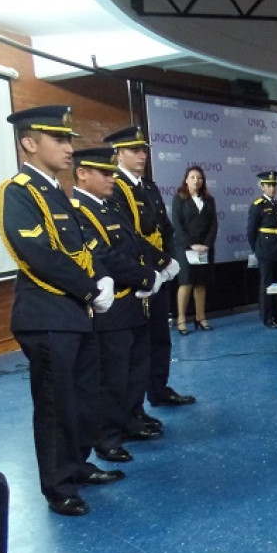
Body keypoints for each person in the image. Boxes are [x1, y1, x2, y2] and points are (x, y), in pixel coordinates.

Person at [0, 105, 121, 516]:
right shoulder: (16, 193)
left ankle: (78, 464)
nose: (69, 147)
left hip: (72, 314)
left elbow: (80, 247)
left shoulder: (53, 192)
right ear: (30, 143)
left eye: (68, 139)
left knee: (83, 399)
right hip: (46, 316)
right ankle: (58, 485)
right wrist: (88, 288)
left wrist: (102, 279)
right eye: (59, 139)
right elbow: (37, 254)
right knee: (54, 404)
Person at [69, 147, 165, 464]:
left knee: (135, 369)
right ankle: (107, 437)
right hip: (113, 306)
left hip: (134, 303)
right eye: (104, 173)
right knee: (112, 377)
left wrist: (159, 266)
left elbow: (135, 243)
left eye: (111, 172)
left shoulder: (108, 206)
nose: (112, 178)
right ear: (82, 174)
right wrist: (145, 277)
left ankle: (131, 419)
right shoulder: (78, 210)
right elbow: (105, 257)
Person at [105, 126, 194, 411]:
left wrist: (171, 260)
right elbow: (128, 236)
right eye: (134, 150)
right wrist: (159, 264)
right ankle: (134, 409)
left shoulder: (149, 186)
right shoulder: (115, 187)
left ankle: (159, 389)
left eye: (144, 150)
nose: (142, 155)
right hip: (135, 277)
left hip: (159, 275)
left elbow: (165, 229)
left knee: (159, 338)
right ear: (118, 154)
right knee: (137, 347)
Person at [171, 165, 218, 333]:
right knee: (186, 282)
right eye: (192, 177)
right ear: (186, 180)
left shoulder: (209, 200)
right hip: (185, 248)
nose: (196, 181)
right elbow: (177, 225)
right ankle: (181, 320)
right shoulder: (179, 199)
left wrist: (206, 244)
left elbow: (213, 224)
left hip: (204, 248)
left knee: (201, 283)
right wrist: (191, 245)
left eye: (199, 178)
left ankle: (201, 318)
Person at [248, 170, 277, 327]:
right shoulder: (258, 205)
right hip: (265, 249)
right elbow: (251, 231)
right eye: (268, 185)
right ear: (262, 186)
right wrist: (257, 249)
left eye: (274, 185)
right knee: (267, 284)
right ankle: (267, 317)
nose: (272, 189)